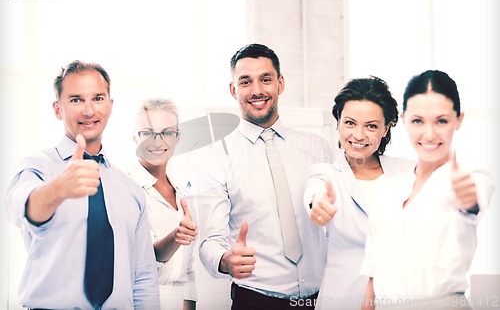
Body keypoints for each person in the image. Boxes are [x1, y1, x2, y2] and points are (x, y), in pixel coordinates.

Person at [5, 60, 160, 309]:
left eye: (98, 98)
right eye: (76, 99)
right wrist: (57, 190)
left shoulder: (130, 189)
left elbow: (143, 279)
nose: (89, 111)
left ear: (110, 106)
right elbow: (19, 207)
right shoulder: (38, 168)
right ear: (58, 109)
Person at [196, 43, 335, 310]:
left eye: (266, 79)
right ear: (233, 89)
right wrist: (226, 260)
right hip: (255, 300)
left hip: (322, 299)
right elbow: (209, 242)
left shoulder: (318, 148)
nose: (257, 90)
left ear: (280, 84)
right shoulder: (217, 159)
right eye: (246, 81)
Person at [361, 70, 495, 309]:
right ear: (404, 120)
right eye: (418, 121)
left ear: (459, 119)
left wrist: (469, 199)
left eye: (441, 121)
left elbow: (472, 201)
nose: (430, 134)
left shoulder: (472, 179)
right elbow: (373, 274)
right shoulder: (386, 190)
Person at [304, 77, 416, 309]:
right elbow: (314, 194)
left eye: (371, 126)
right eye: (350, 123)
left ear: (386, 129)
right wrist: (317, 204)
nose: (359, 135)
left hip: (396, 298)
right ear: (338, 123)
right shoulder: (325, 174)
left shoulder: (409, 173)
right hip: (343, 298)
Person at [127, 98, 198, 310]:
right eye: (148, 133)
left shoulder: (182, 189)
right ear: (135, 137)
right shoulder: (126, 187)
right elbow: (145, 255)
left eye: (167, 132)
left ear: (177, 137)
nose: (158, 142)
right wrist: (176, 237)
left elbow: (187, 267)